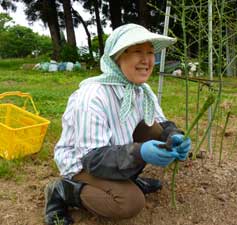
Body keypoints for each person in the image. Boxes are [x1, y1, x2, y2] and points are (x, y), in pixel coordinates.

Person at [44, 23, 192, 225]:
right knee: (129, 203)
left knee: (154, 128)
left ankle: (128, 179)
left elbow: (161, 124)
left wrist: (174, 136)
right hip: (83, 162)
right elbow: (92, 159)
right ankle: (63, 191)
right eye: (137, 51)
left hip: (114, 154)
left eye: (150, 52)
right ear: (117, 57)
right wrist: (140, 152)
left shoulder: (142, 90)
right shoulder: (93, 96)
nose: (146, 59)